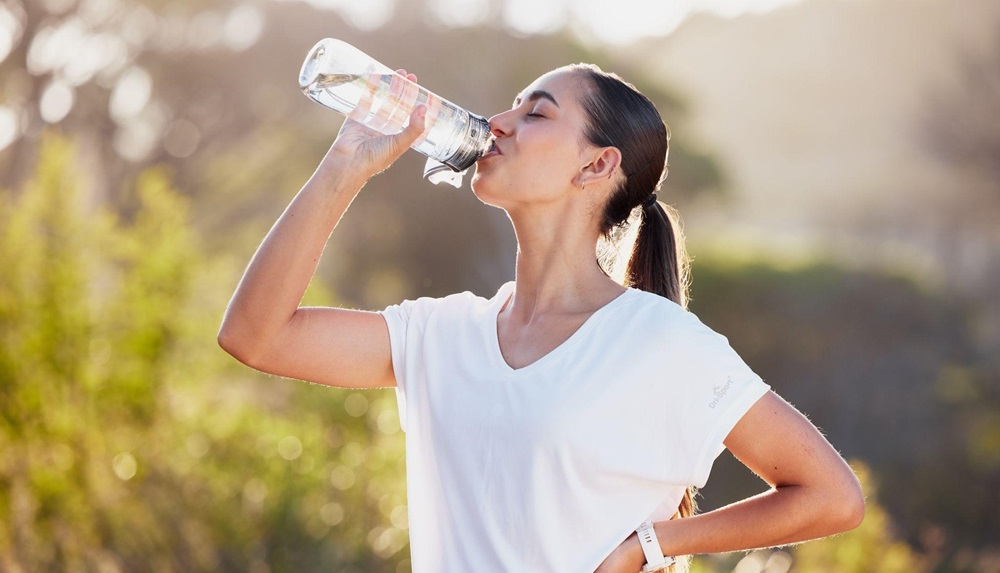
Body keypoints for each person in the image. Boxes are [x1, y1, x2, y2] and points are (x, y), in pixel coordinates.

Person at [218, 62, 865, 572]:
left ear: (597, 164)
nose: (498, 124)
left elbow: (831, 494)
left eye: (536, 114)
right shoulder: (441, 334)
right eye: (511, 108)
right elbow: (255, 334)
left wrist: (652, 542)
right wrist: (347, 162)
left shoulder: (659, 343)